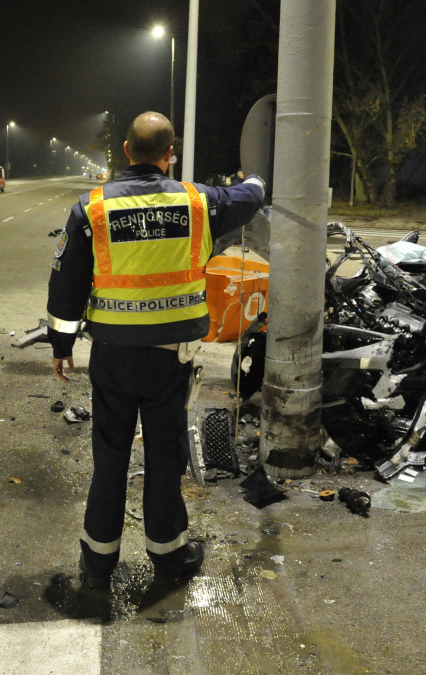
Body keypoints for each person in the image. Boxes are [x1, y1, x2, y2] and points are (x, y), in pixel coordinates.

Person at [47, 112, 266, 588]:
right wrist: (257, 178)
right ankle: (169, 558)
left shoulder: (93, 207)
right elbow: (249, 197)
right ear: (171, 155)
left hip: (113, 355)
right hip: (173, 357)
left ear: (126, 150)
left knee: (110, 456)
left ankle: (97, 563)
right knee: (165, 459)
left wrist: (61, 344)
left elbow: (66, 282)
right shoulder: (200, 202)